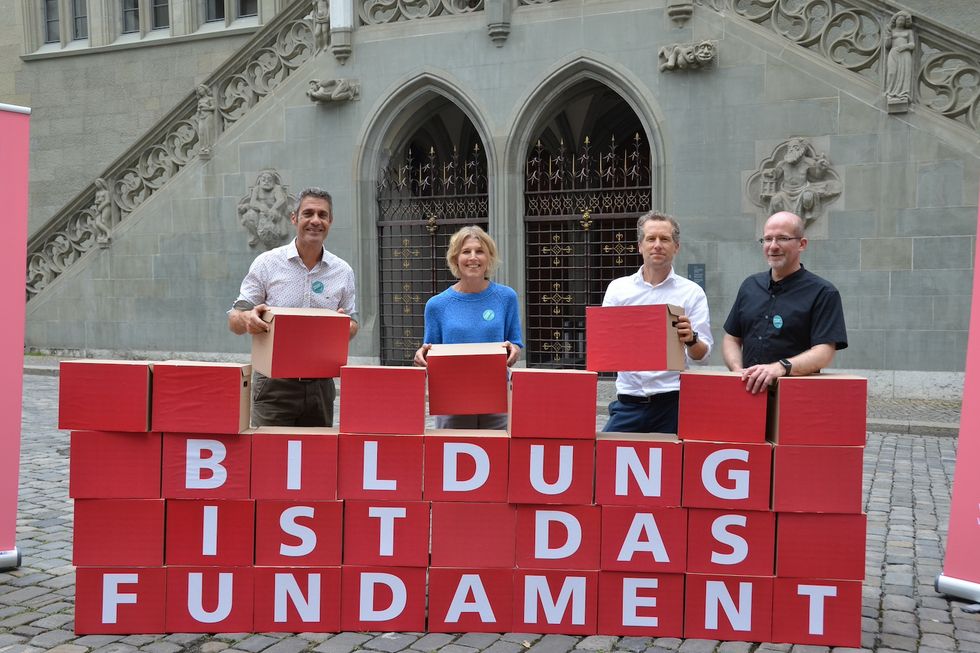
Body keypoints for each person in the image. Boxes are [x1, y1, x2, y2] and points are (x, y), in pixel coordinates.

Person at [228, 187, 358, 426]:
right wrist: (249, 319)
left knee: (317, 460)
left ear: (330, 221)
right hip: (273, 386)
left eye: (322, 215)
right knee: (268, 459)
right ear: (294, 218)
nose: (315, 221)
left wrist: (343, 328)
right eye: (308, 213)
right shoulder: (267, 263)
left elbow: (352, 322)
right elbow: (235, 318)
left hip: (321, 386)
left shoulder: (343, 271)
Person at [602, 211, 712, 434]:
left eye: (665, 239)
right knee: (606, 464)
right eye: (651, 239)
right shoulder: (618, 289)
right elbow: (606, 346)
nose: (657, 245)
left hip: (673, 402)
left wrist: (691, 339)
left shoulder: (692, 293)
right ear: (640, 246)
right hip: (628, 402)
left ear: (676, 247)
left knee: (674, 468)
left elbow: (702, 357)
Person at [722, 210, 847, 394]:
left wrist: (780, 367)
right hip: (748, 394)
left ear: (802, 244)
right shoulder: (750, 286)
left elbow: (824, 352)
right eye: (767, 239)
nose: (773, 246)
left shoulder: (823, 292)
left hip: (796, 397)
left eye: (782, 238)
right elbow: (731, 338)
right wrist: (737, 370)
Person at [413, 225, 522, 429]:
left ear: (489, 258)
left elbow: (515, 343)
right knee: (452, 458)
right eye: (466, 251)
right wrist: (422, 355)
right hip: (452, 399)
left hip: (496, 398)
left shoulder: (506, 298)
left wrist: (514, 350)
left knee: (499, 456)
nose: (473, 257)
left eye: (480, 251)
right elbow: (430, 350)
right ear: (455, 258)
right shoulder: (437, 305)